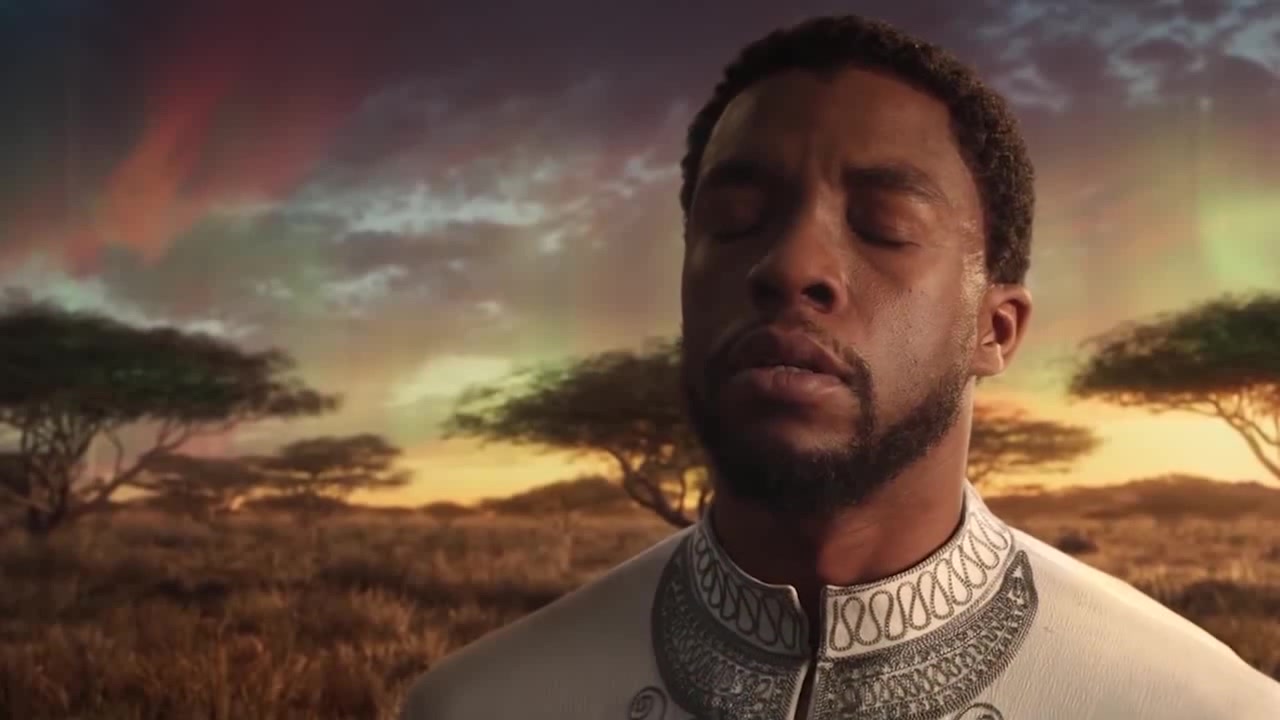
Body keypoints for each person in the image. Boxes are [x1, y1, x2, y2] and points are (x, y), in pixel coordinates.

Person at [400, 14, 1280, 720]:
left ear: (997, 329)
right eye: (735, 222)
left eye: (885, 227)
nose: (790, 265)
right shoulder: (479, 703)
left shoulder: (1210, 709)